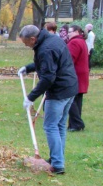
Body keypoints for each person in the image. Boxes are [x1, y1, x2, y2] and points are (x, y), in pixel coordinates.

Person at [18, 25, 78, 175]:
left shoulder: (45, 49)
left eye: (26, 43)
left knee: (51, 126)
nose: (26, 46)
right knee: (59, 126)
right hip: (71, 87)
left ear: (33, 38)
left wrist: (30, 97)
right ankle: (57, 158)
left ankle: (57, 164)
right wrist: (29, 68)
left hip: (59, 91)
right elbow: (48, 64)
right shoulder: (52, 40)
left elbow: (48, 78)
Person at [66, 25, 89, 132]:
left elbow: (69, 59)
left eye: (70, 32)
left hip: (75, 74)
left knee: (70, 100)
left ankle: (77, 124)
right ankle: (74, 124)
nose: (68, 34)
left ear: (76, 32)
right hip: (81, 74)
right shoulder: (81, 41)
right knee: (77, 100)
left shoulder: (74, 42)